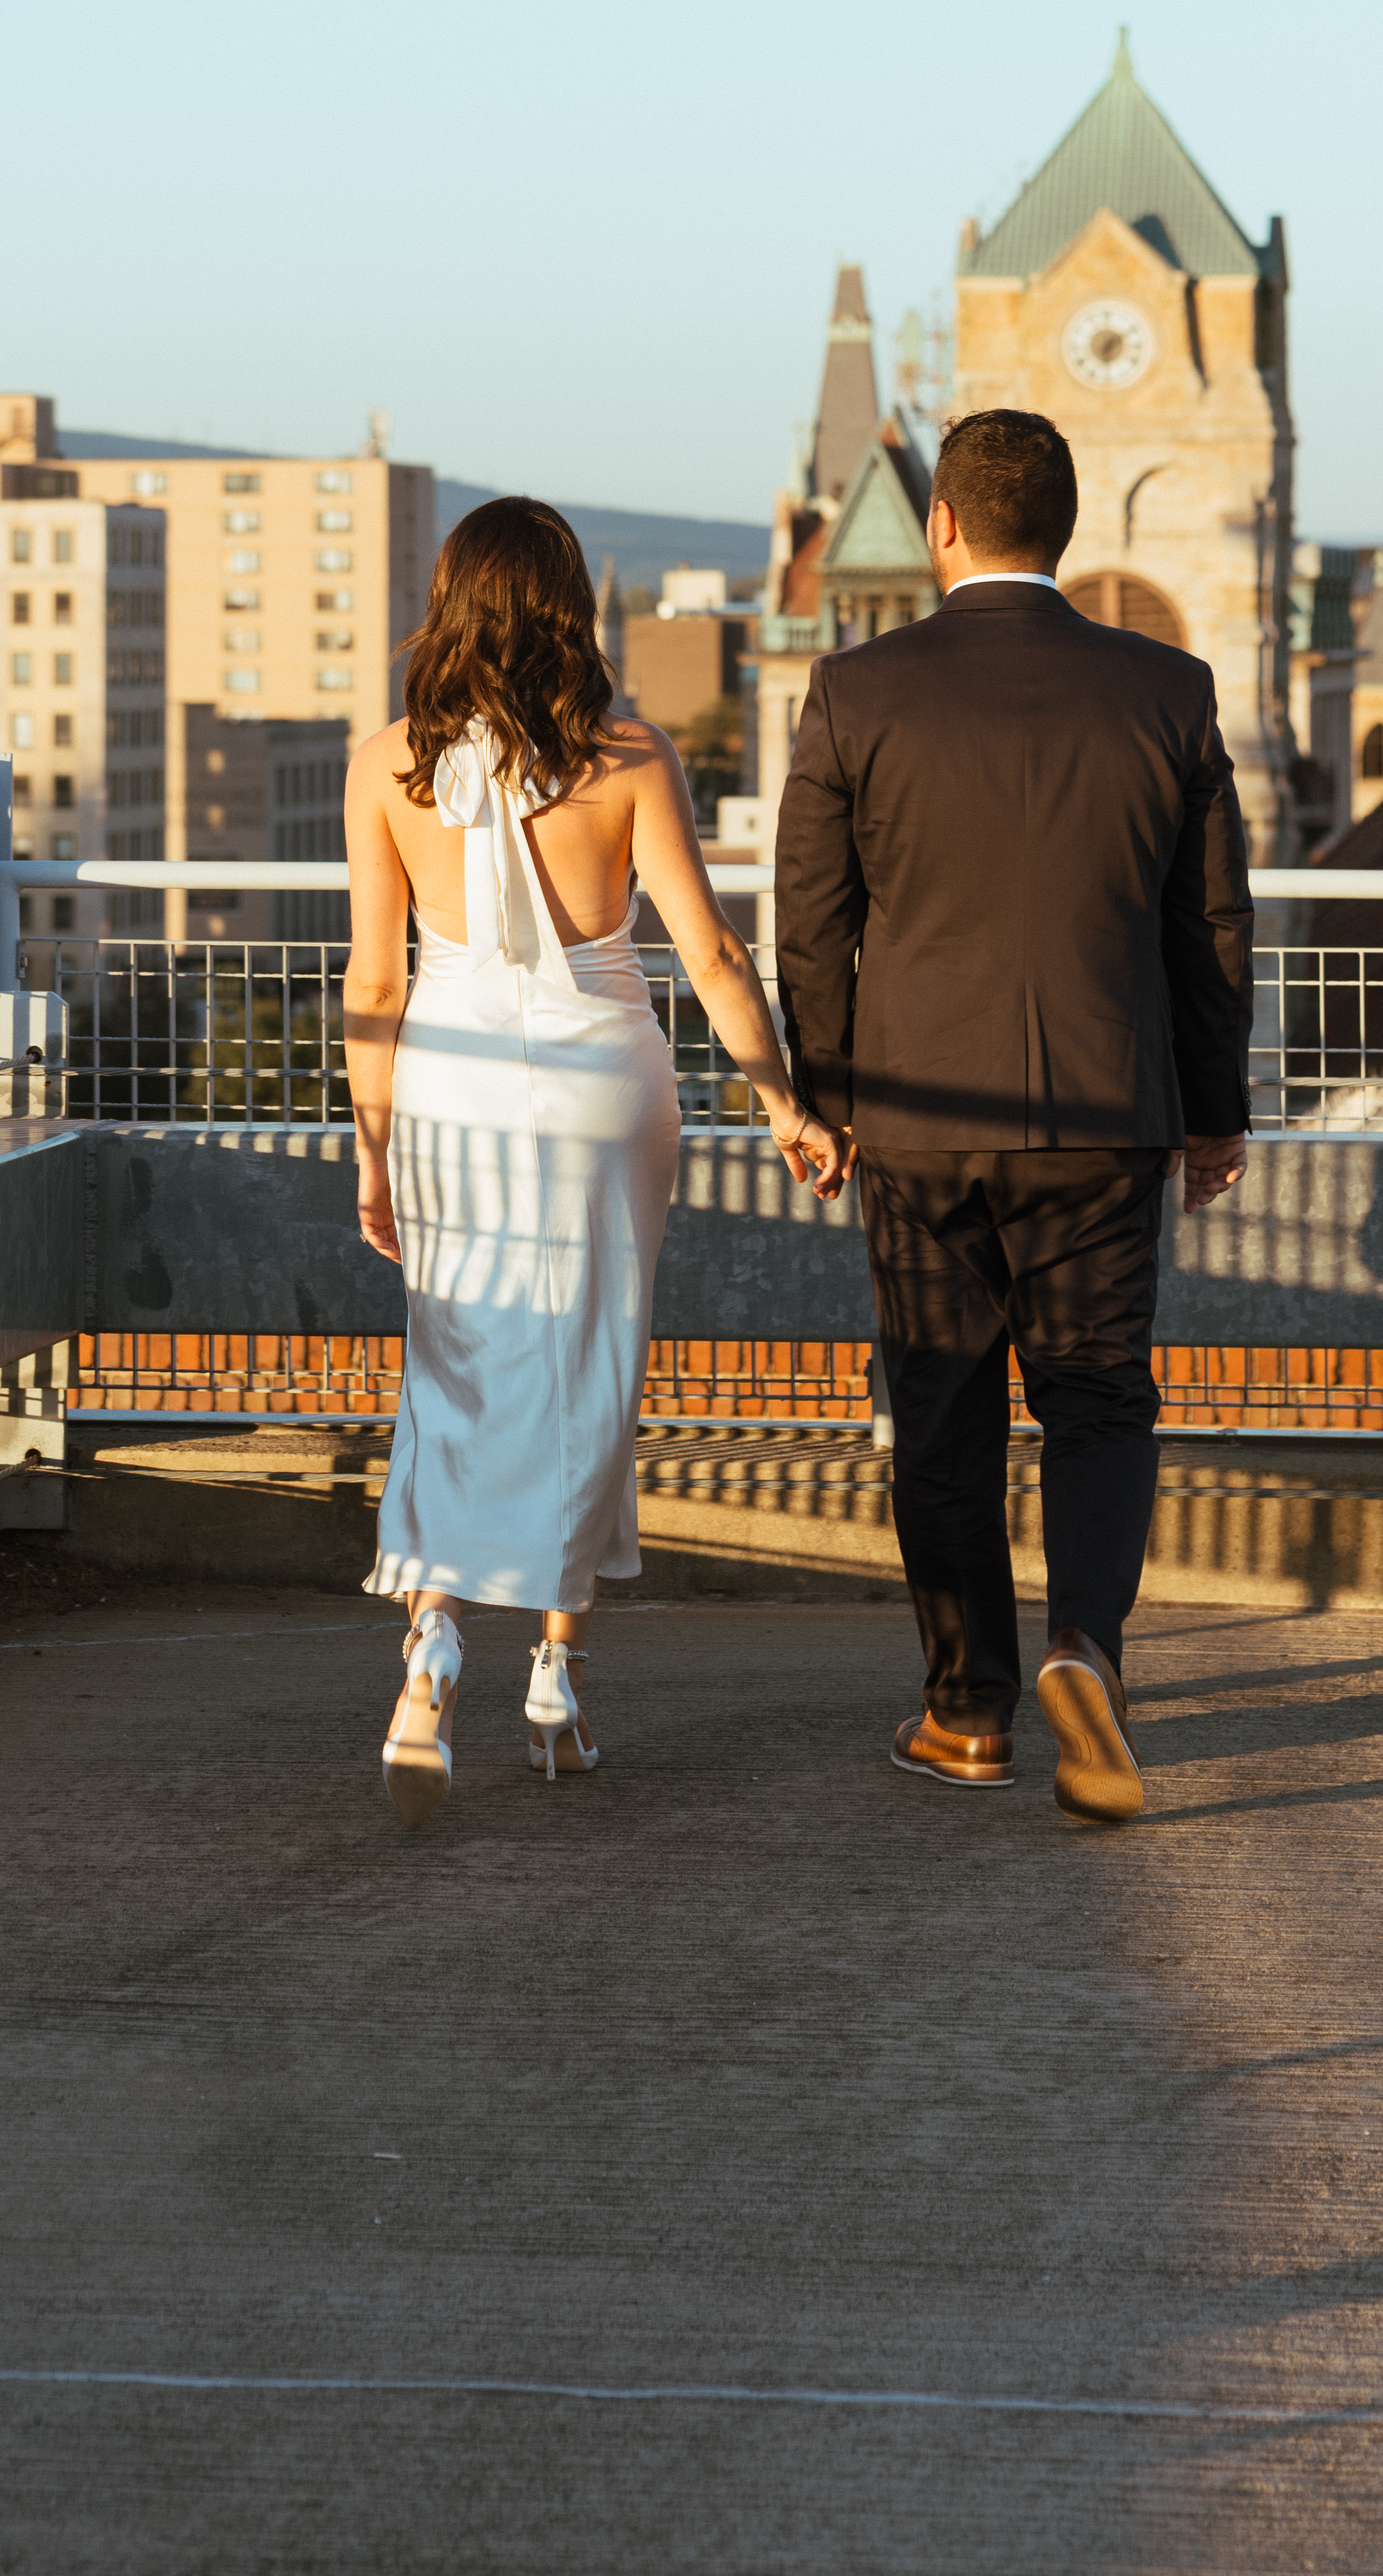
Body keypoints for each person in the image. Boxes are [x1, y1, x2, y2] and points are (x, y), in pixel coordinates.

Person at [772, 406, 1252, 1822]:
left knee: (942, 1408)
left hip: (918, 1118)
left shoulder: (855, 691)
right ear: (1068, 526)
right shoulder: (1166, 689)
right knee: (1098, 1397)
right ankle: (1087, 1654)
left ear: (940, 524)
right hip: (1107, 1109)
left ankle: (966, 1710)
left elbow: (810, 922)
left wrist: (831, 1095)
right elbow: (1211, 923)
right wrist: (1212, 1112)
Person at [344, 497, 841, 1823]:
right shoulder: (626, 756)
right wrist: (781, 1101)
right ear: (570, 606)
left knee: (450, 1355)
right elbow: (713, 954)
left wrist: (372, 1153)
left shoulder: (383, 763)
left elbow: (374, 979)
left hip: (445, 1083)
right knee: (588, 1359)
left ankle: (430, 1648)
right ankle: (555, 1675)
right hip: (603, 1081)